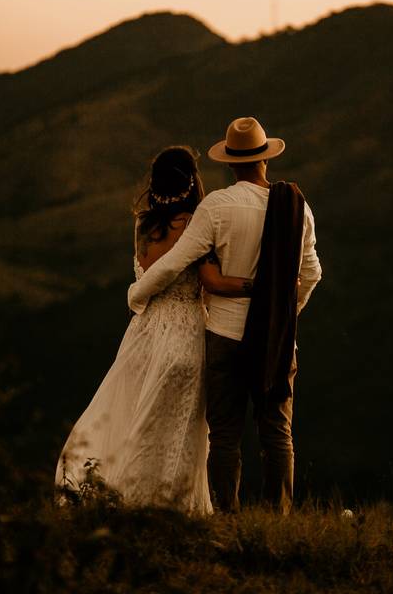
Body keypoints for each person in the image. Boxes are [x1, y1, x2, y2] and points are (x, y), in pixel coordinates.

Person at [127, 117, 322, 514]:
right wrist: (283, 313)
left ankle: (227, 516)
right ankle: (279, 516)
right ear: (265, 159)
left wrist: (137, 293)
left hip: (224, 335)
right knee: (277, 433)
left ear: (231, 163)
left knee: (225, 434)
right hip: (277, 339)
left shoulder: (216, 205)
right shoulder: (297, 206)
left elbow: (174, 263)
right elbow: (312, 272)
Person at [55, 145, 251, 515]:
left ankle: (122, 496)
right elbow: (209, 281)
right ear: (192, 181)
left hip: (143, 333)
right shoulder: (197, 223)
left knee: (133, 416)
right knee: (178, 427)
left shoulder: (142, 224)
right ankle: (168, 505)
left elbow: (146, 276)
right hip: (185, 332)